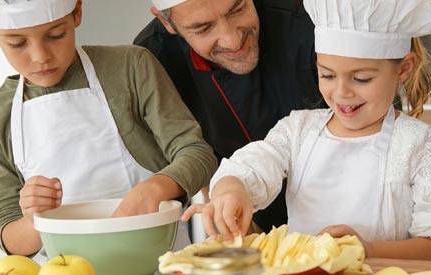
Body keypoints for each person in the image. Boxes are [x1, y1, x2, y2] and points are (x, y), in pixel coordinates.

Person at [182, 0, 431, 261]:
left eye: (362, 79)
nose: (342, 92)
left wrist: (364, 250)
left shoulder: (418, 142)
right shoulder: (298, 130)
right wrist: (232, 190)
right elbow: (254, 164)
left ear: (404, 69)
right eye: (327, 75)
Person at [0, 0, 217, 256]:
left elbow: (198, 154)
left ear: (77, 10)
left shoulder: (130, 67)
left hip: (160, 269)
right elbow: (9, 238)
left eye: (56, 35)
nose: (41, 57)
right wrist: (34, 219)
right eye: (17, 43)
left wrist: (156, 187)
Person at [134, 0, 326, 232]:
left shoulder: (309, 20)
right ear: (166, 22)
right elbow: (194, 146)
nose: (232, 40)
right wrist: (232, 223)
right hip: (240, 208)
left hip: (339, 207)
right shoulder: (156, 54)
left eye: (237, 9)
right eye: (203, 28)